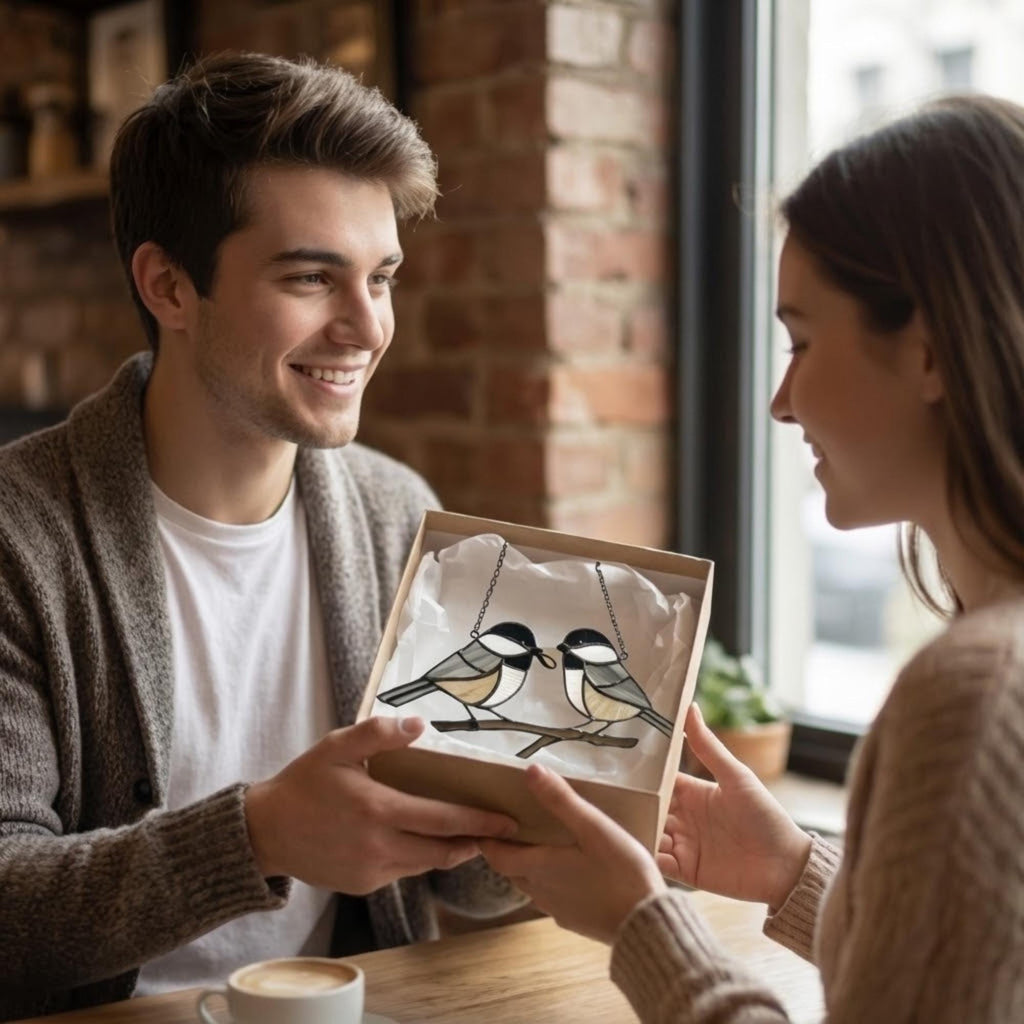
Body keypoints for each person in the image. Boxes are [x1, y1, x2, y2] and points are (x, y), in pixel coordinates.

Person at [0, 52, 524, 1020]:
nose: (366, 327)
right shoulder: (18, 537)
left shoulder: (396, 513)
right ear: (168, 285)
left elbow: (468, 884)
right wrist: (255, 837)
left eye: (381, 277)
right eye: (312, 277)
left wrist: (551, 799)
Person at [481, 93, 1024, 1022]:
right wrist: (794, 871)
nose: (780, 400)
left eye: (801, 341)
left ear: (931, 353)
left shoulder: (979, 695)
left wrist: (641, 924)